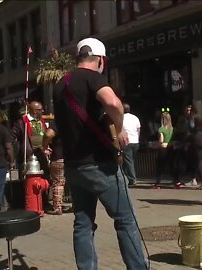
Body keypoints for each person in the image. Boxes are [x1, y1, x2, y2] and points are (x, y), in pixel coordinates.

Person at [53, 37, 147, 270]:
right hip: (99, 165)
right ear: (101, 59)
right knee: (125, 220)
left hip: (74, 166)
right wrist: (119, 127)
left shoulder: (60, 84)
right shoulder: (93, 77)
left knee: (83, 224)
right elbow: (113, 103)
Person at [11, 100, 49, 180]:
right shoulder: (22, 122)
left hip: (42, 154)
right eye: (40, 109)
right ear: (35, 111)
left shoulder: (41, 121)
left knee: (45, 177)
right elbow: (12, 137)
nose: (42, 111)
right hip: (29, 156)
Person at [42, 121, 66, 215]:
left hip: (59, 156)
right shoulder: (73, 120)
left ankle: (57, 207)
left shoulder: (58, 122)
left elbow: (48, 134)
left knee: (58, 182)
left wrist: (44, 146)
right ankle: (77, 206)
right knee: (74, 182)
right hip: (73, 157)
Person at [122, 103, 141, 186]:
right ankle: (126, 177)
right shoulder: (135, 118)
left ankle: (132, 179)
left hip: (127, 141)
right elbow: (138, 129)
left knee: (128, 161)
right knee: (130, 160)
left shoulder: (121, 117)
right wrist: (137, 138)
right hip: (135, 141)